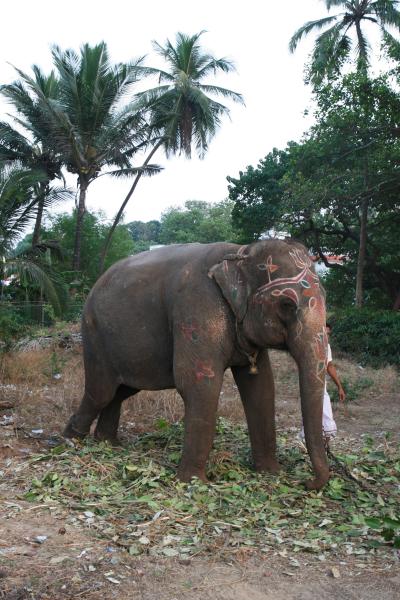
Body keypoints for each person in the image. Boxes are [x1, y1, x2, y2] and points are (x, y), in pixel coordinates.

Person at [300, 322, 346, 445]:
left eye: (328, 333)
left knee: (327, 415)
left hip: (321, 386)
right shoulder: (307, 343)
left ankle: (324, 448)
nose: (326, 335)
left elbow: (329, 366)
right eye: (324, 332)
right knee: (310, 414)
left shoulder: (327, 347)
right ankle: (309, 446)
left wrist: (340, 387)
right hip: (308, 385)